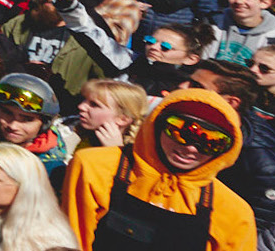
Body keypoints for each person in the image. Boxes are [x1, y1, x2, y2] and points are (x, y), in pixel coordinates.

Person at [60, 88, 255, 251]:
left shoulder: (233, 211)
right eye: (181, 130)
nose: (191, 147)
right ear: (157, 123)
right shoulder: (96, 165)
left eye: (212, 142)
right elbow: (73, 239)